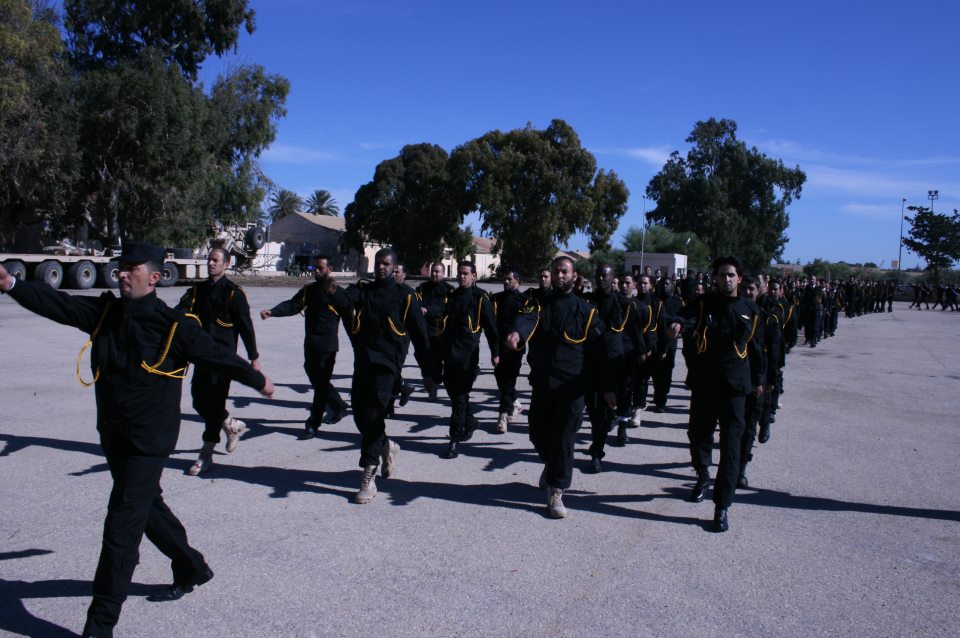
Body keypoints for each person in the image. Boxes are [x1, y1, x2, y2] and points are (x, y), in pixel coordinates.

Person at [0, 243, 274, 638]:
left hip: (150, 441)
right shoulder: (106, 314)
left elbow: (217, 354)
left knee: (121, 528)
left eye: (132, 268)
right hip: (114, 433)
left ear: (155, 277)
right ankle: (191, 566)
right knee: (147, 507)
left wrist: (257, 378)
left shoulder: (174, 327)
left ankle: (99, 627)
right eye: (121, 267)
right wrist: (12, 285)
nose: (122, 273)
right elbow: (59, 304)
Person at [506, 256, 616, 518]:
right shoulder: (539, 303)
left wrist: (607, 387)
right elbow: (527, 319)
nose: (559, 275)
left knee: (565, 440)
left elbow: (600, 353)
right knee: (538, 434)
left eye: (564, 271)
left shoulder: (586, 312)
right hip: (543, 383)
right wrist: (518, 333)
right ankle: (552, 464)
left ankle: (556, 491)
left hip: (572, 388)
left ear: (574, 276)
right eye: (556, 271)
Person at [669, 256, 764, 532]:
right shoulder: (703, 304)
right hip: (706, 385)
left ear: (739, 279)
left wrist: (760, 380)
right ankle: (702, 475)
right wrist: (677, 325)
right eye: (722, 275)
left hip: (735, 390)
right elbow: (683, 318)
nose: (727, 279)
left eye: (731, 275)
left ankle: (722, 506)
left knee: (731, 449)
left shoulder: (750, 310)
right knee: (698, 436)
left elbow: (757, 349)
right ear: (716, 278)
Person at [340, 248, 434, 503]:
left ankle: (368, 476)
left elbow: (421, 337)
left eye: (385, 263)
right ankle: (386, 446)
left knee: (373, 416)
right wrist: (330, 288)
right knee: (359, 415)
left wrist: (428, 373)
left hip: (388, 367)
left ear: (394, 267)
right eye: (377, 263)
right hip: (363, 363)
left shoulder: (405, 296)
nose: (380, 267)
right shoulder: (364, 290)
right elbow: (344, 299)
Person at [176, 247, 260, 475]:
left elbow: (246, 327)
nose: (211, 263)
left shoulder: (234, 294)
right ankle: (230, 424)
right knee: (198, 401)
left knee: (214, 403)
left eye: (215, 260)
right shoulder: (198, 290)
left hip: (223, 360)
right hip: (201, 356)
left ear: (226, 264)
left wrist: (253, 358)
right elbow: (181, 311)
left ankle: (206, 453)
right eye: (209, 259)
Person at [261, 255, 350, 439]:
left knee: (320, 385)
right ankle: (339, 405)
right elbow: (293, 305)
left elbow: (349, 311)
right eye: (314, 268)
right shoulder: (309, 290)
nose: (316, 271)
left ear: (330, 269)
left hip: (327, 347)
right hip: (311, 344)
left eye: (320, 268)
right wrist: (273, 312)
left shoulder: (336, 292)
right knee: (315, 378)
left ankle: (313, 424)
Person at [438, 261, 499, 458]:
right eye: (460, 273)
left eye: (465, 274)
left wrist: (495, 353)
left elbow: (491, 328)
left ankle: (454, 438)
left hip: (468, 356)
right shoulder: (452, 296)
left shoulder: (480, 298)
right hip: (449, 353)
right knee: (454, 393)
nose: (462, 277)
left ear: (474, 276)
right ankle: (471, 421)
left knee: (460, 395)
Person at [491, 269, 528, 433]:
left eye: (509, 279)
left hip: (515, 348)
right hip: (499, 346)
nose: (506, 282)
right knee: (500, 377)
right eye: (504, 279)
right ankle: (516, 403)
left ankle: (503, 415)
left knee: (508, 379)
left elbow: (528, 324)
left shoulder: (525, 301)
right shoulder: (497, 298)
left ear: (517, 281)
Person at [415, 261, 454, 399]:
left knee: (437, 359)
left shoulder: (449, 290)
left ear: (443, 273)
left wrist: (428, 309)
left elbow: (445, 308)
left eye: (437, 271)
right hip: (423, 329)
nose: (435, 274)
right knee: (422, 357)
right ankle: (429, 381)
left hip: (440, 330)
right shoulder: (422, 288)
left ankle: (435, 385)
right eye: (433, 271)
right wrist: (420, 308)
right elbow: (416, 301)